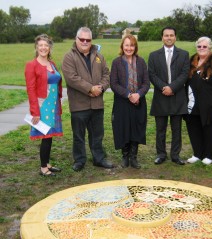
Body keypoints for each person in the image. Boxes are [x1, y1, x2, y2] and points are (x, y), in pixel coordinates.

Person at [62, 27, 113, 172]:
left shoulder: (99, 56)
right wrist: (90, 88)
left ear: (91, 41)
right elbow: (72, 78)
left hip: (97, 104)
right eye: (82, 39)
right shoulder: (69, 57)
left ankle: (99, 158)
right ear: (76, 39)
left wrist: (101, 88)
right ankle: (79, 160)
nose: (85, 42)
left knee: (97, 134)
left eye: (88, 40)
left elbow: (106, 74)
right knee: (79, 135)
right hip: (79, 105)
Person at [148, 26, 190, 165]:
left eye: (171, 35)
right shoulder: (154, 55)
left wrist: (172, 88)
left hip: (177, 96)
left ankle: (175, 155)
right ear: (162, 37)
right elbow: (152, 75)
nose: (169, 38)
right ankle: (161, 154)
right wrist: (163, 88)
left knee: (176, 129)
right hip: (161, 96)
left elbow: (184, 74)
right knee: (160, 129)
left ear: (175, 37)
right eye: (166, 35)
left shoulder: (184, 54)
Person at [25, 34, 63, 177]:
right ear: (36, 47)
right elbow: (31, 90)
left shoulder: (52, 64)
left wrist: (58, 102)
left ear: (49, 47)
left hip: (53, 103)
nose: (43, 48)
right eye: (40, 45)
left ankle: (47, 163)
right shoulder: (32, 65)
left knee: (50, 136)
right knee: (46, 136)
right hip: (43, 105)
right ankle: (43, 168)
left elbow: (56, 82)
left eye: (46, 45)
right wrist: (35, 111)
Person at [110, 34, 150, 169]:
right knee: (124, 128)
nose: (129, 48)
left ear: (135, 47)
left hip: (138, 102)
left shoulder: (141, 61)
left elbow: (146, 83)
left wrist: (138, 94)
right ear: (122, 46)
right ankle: (125, 156)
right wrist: (128, 94)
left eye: (132, 45)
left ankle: (133, 157)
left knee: (136, 128)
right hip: (122, 102)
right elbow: (113, 84)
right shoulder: (116, 62)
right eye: (126, 45)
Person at [184, 37, 212, 165]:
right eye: (199, 46)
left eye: (204, 46)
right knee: (194, 129)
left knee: (210, 130)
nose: (201, 48)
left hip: (210, 105)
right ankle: (197, 153)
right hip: (192, 103)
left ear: (210, 48)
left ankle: (209, 155)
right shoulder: (191, 61)